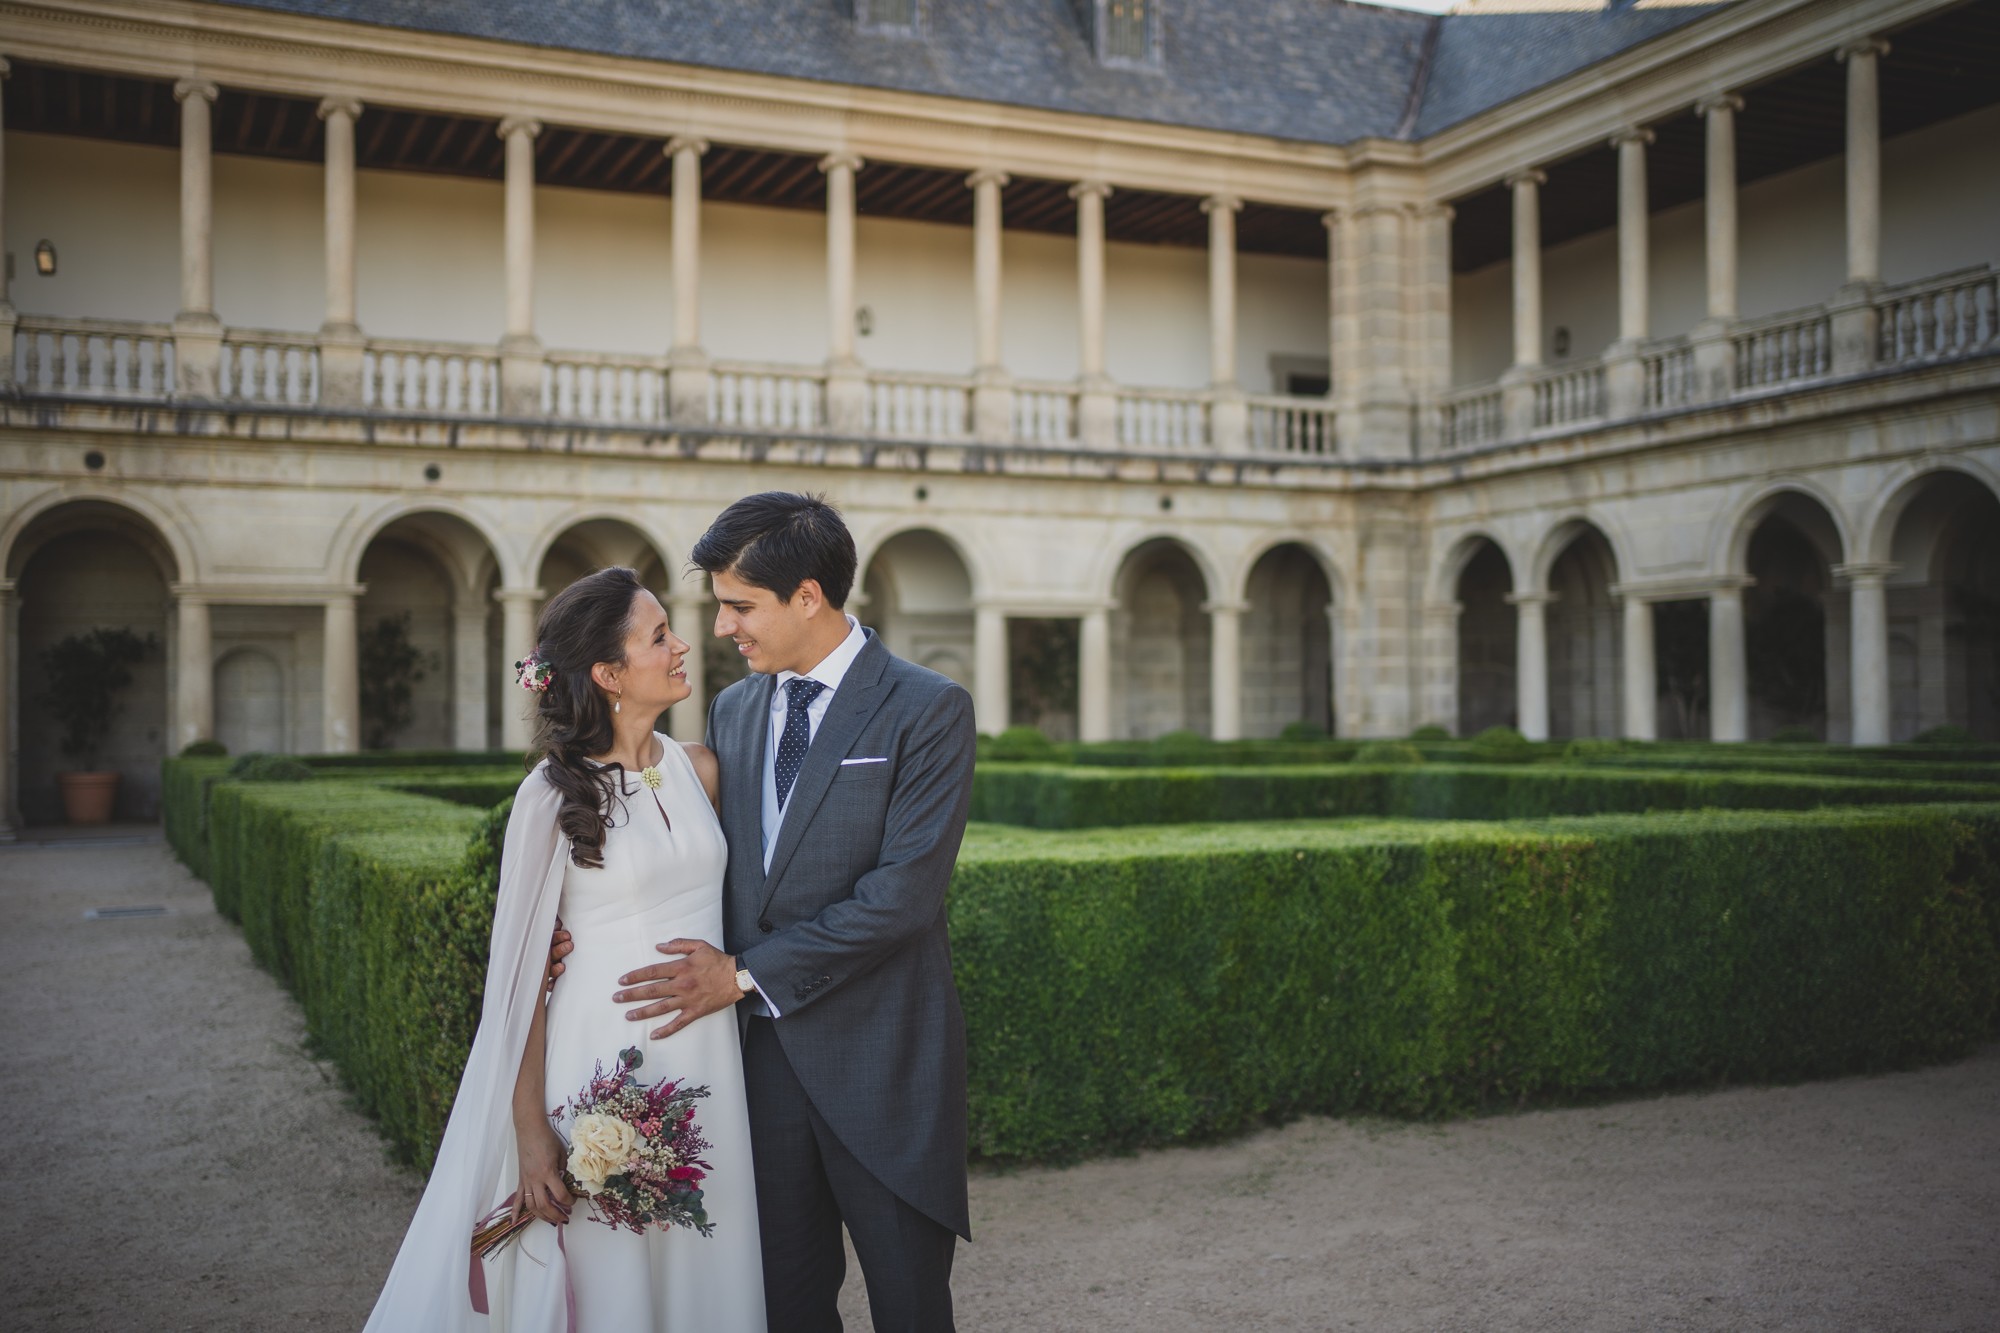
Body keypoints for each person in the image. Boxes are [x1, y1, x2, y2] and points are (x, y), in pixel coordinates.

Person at [605, 492, 978, 1331]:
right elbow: (685, 852)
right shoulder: (734, 709)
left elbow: (903, 898)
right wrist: (577, 922)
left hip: (884, 1066)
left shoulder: (928, 708)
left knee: (911, 1307)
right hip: (759, 1072)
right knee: (783, 1306)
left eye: (739, 605)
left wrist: (739, 973)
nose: (722, 628)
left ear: (807, 595)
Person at [364, 566, 765, 1332]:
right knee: (612, 1278)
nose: (682, 644)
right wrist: (530, 1134)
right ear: (609, 674)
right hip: (603, 1072)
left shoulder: (700, 770)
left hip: (710, 1060)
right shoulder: (550, 797)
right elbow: (516, 983)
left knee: (706, 1262)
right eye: (659, 635)